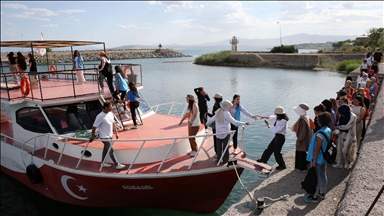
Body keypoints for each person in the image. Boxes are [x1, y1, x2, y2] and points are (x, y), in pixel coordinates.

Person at [304, 112, 332, 203]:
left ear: (320, 121)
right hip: (324, 158)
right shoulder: (328, 130)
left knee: (318, 177)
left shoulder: (320, 134)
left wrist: (314, 160)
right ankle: (323, 192)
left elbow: (317, 148)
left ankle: (315, 196)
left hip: (319, 158)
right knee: (323, 175)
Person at [89, 102, 125, 170]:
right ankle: (117, 164)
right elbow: (94, 126)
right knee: (111, 149)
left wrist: (116, 133)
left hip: (110, 136)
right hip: (104, 137)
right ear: (105, 107)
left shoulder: (110, 114)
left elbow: (113, 123)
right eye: (110, 107)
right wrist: (92, 136)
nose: (111, 108)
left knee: (105, 149)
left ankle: (103, 163)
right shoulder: (100, 116)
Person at [332, 104, 357, 169]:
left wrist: (338, 127)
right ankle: (339, 163)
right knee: (339, 149)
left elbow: (348, 126)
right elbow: (339, 122)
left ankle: (347, 162)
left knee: (345, 150)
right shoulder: (342, 115)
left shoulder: (353, 117)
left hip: (349, 135)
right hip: (341, 135)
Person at [291, 103, 313, 172]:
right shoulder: (306, 116)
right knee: (303, 152)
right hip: (307, 138)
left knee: (300, 152)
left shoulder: (302, 119)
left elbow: (302, 131)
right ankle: (305, 165)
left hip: (303, 139)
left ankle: (302, 168)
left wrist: (299, 140)